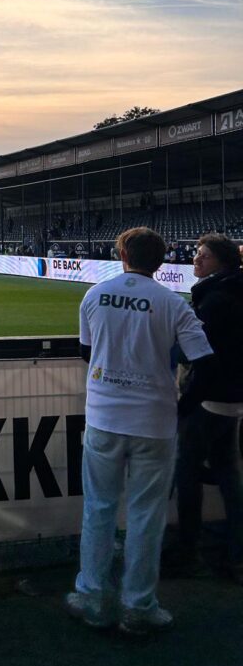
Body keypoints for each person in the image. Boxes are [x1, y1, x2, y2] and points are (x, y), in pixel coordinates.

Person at [65, 226, 214, 635]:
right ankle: (138, 607)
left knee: (98, 508)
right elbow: (204, 361)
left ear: (123, 256)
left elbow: (86, 352)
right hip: (154, 422)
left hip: (104, 417)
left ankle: (92, 598)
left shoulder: (95, 295)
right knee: (146, 515)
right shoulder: (173, 303)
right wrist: (182, 407)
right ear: (161, 261)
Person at [170, 233, 243, 581]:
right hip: (232, 400)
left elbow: (203, 357)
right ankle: (237, 556)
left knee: (187, 471)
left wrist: (187, 401)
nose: (196, 259)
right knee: (229, 474)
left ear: (222, 262)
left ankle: (189, 551)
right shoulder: (230, 292)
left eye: (204, 255)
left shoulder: (216, 299)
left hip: (210, 399)